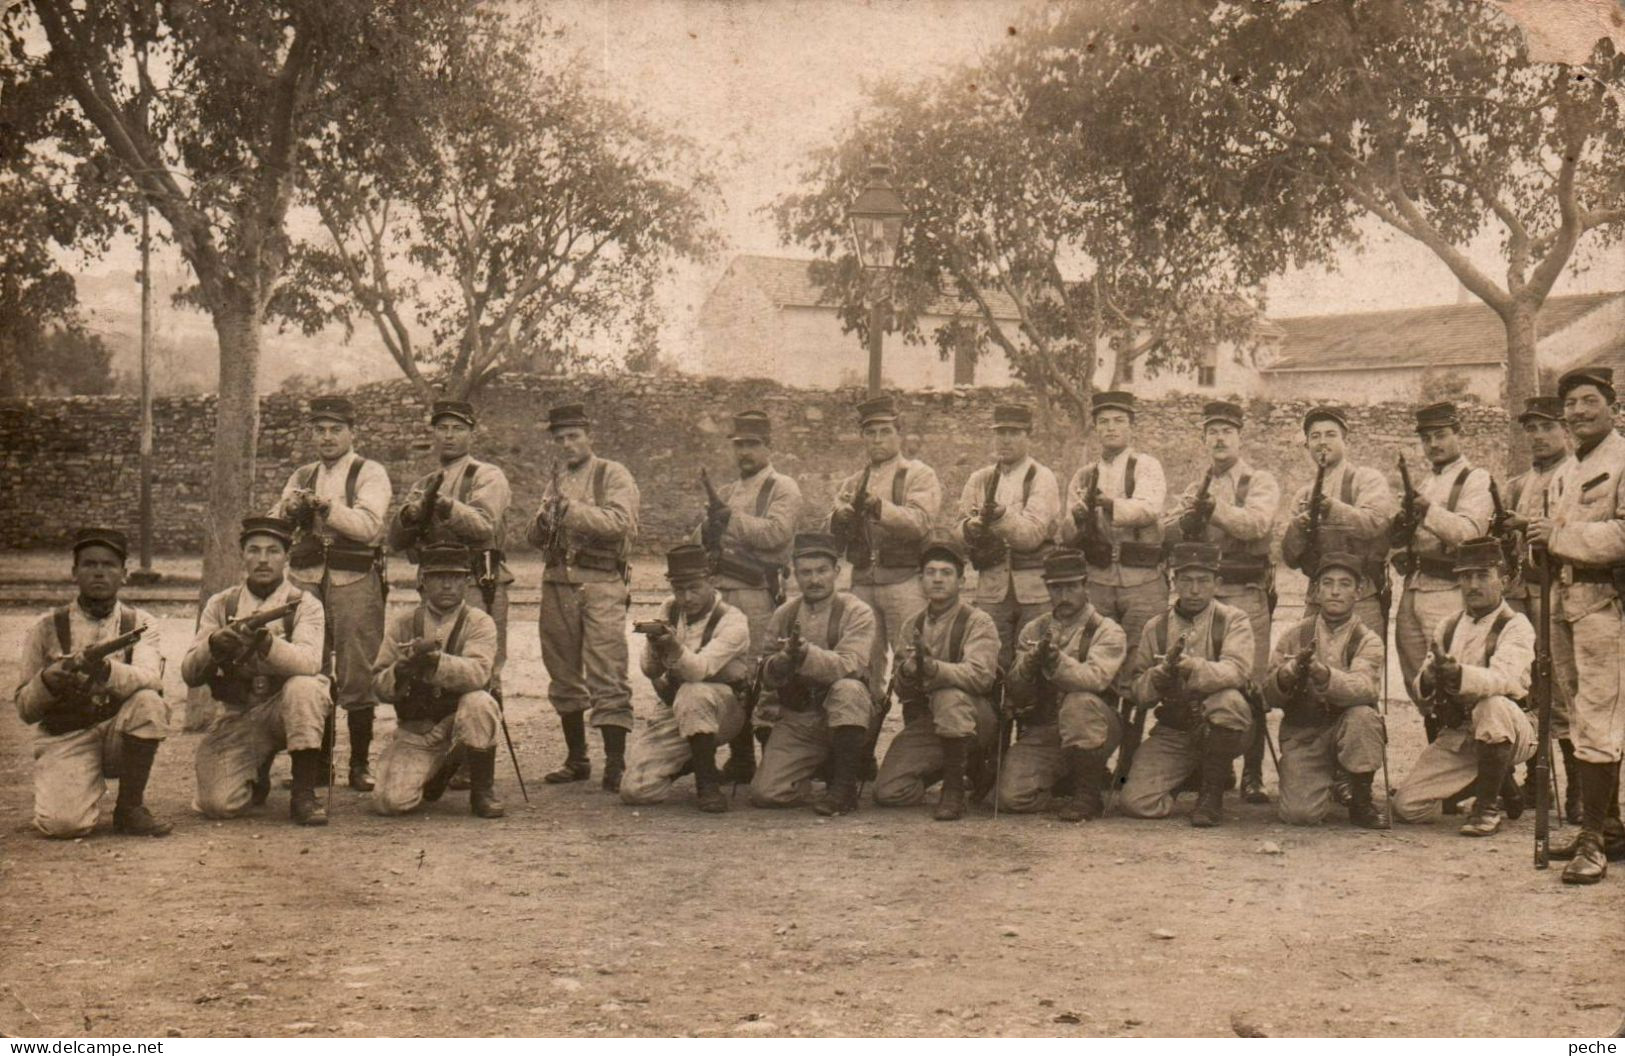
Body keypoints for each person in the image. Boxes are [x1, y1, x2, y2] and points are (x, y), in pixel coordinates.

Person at [1527, 367, 1625, 884]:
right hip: (1564, 597)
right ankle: (1608, 825)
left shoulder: (1621, 459)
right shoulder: (1568, 470)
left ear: (1612, 406)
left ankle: (1592, 841)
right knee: (1574, 704)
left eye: (1590, 401)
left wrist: (1559, 536)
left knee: (1597, 715)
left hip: (1605, 599)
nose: (1579, 412)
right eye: (1571, 404)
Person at [13, 528, 170, 838]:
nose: (99, 572)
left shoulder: (140, 623)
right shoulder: (46, 627)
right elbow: (24, 709)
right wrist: (47, 681)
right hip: (66, 735)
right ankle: (78, 784)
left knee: (150, 701)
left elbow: (150, 676)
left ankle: (129, 807)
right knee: (64, 826)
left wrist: (105, 670)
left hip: (116, 732)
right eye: (89, 564)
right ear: (74, 572)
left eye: (109, 565)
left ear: (124, 574)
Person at [1161, 399, 1281, 803]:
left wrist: (1214, 510)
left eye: (1226, 431)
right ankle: (1211, 767)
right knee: (1205, 675)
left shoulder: (1258, 480)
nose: (1219, 438)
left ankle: (1253, 774)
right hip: (1204, 597)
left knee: (1250, 679)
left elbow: (1257, 524)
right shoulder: (1197, 485)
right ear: (1203, 439)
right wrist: (1186, 520)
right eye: (1212, 431)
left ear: (1239, 437)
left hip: (1246, 591)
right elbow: (1168, 532)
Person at [271, 395, 392, 792]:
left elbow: (369, 526)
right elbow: (275, 525)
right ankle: (317, 762)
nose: (327, 437)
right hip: (306, 578)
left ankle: (359, 763)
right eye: (319, 430)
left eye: (335, 429)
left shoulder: (369, 472)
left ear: (351, 433)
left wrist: (325, 507)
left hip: (353, 579)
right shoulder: (302, 474)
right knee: (309, 666)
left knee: (358, 670)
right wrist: (289, 510)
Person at [185, 517, 331, 826]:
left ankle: (304, 793)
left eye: (273, 551)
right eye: (254, 550)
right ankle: (256, 774)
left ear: (286, 558)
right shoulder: (222, 604)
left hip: (284, 708)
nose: (263, 560)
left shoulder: (304, 604)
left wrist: (266, 643)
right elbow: (189, 673)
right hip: (239, 712)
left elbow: (309, 662)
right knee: (216, 804)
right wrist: (213, 644)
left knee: (306, 687)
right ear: (243, 555)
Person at [527, 403, 641, 792]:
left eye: (573, 436)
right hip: (558, 581)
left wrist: (571, 511)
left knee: (607, 671)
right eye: (559, 438)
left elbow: (621, 523)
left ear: (589, 436)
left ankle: (616, 762)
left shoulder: (612, 474)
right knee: (562, 673)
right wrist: (543, 521)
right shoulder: (555, 480)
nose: (567, 444)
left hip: (600, 582)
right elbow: (535, 536)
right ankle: (577, 759)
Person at [1392, 539, 1535, 838]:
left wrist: (1458, 675)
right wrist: (1430, 679)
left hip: (1511, 729)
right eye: (1466, 576)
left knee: (1491, 705)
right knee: (1407, 807)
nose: (1473, 584)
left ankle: (1486, 808)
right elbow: (1421, 687)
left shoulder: (1516, 625)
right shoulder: (1448, 624)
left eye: (1483, 575)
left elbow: (1503, 679)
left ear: (1504, 580)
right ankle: (1500, 783)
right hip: (1461, 734)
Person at [691, 409, 803, 779]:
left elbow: (776, 535)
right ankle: (741, 759)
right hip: (723, 594)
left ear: (769, 447)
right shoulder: (727, 491)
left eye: (752, 445)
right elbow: (700, 541)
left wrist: (731, 520)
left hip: (758, 594)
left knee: (761, 674)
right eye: (739, 446)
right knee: (730, 672)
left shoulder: (782, 487)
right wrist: (709, 527)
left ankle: (771, 761)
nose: (745, 453)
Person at [827, 394, 942, 746]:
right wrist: (839, 517)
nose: (877, 440)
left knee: (913, 662)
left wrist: (879, 508)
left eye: (885, 432)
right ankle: (861, 752)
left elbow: (921, 522)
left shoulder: (918, 474)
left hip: (904, 580)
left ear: (899, 434)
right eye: (871, 433)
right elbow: (830, 530)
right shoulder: (850, 482)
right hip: (862, 582)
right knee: (865, 665)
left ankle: (917, 748)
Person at [1119, 542, 1256, 827]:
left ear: (1216, 583)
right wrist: (1157, 677)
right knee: (1136, 802)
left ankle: (1211, 796)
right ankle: (1192, 774)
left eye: (1203, 581)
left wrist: (1194, 667)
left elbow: (1237, 670)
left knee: (1228, 699)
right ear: (1173, 582)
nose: (1194, 590)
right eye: (1186, 580)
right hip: (1175, 729)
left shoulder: (1234, 620)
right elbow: (1137, 690)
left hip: (1226, 725)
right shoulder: (1155, 627)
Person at [388, 399, 514, 695]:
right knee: (432, 662)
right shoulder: (424, 483)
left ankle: (482, 738)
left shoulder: (487, 475)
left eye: (457, 428)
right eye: (442, 428)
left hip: (478, 581)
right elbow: (394, 541)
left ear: (472, 434)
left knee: (481, 669)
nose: (448, 435)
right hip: (433, 584)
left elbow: (484, 526)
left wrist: (445, 506)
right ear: (432, 434)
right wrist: (410, 515)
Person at [747, 533, 879, 816]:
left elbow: (849, 664)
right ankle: (820, 769)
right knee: (766, 793)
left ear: (837, 572)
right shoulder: (784, 614)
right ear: (795, 574)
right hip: (801, 717)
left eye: (822, 571)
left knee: (849, 688)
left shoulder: (857, 611)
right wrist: (781, 662)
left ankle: (843, 789)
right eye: (805, 572)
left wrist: (805, 655)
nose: (814, 579)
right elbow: (765, 673)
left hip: (848, 716)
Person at [370, 543, 505, 819]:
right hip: (419, 730)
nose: (447, 585)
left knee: (480, 701)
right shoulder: (403, 622)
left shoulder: (479, 622)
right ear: (423, 580)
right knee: (389, 802)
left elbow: (479, 673)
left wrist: (435, 661)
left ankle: (482, 791)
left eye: (455, 577)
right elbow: (379, 686)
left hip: (459, 721)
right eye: (437, 576)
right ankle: (442, 767)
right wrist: (400, 670)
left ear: (467, 581)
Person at [872, 534, 1000, 821]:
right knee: (889, 791)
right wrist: (907, 670)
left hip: (976, 719)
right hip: (932, 721)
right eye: (930, 573)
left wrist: (934, 669)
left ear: (961, 581)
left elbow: (981, 677)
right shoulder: (911, 624)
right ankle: (960, 766)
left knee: (949, 695)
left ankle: (954, 791)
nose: (938, 580)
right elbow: (902, 690)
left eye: (946, 573)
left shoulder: (978, 621)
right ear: (921, 581)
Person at [1388, 402, 1494, 743]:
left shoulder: (1475, 479)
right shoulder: (1426, 480)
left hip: (1449, 590)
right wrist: (1402, 547)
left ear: (1458, 434)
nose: (1434, 444)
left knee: (1451, 676)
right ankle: (1437, 761)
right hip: (1415, 588)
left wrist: (1427, 511)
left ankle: (1472, 771)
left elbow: (1470, 533)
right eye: (1427, 438)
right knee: (1419, 682)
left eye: (1441, 435)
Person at [619, 545, 752, 813]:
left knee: (695, 691)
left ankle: (708, 785)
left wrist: (674, 648)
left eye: (694, 588)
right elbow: (649, 671)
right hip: (677, 708)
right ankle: (692, 758)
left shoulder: (733, 620)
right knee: (636, 790)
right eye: (679, 589)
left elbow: (698, 670)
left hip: (724, 711)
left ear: (711, 582)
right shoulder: (669, 608)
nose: (686, 597)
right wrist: (655, 645)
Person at [997, 548, 1128, 821]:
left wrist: (1056, 662)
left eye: (1071, 587)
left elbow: (1095, 679)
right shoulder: (1033, 630)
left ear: (1086, 586)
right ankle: (1063, 778)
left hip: (1095, 727)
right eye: (1056, 589)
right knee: (1011, 797)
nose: (1064, 597)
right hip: (1046, 729)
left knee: (1078, 702)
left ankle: (1087, 795)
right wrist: (1027, 666)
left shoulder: (1107, 630)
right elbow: (1015, 690)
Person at [1264, 552, 1388, 828]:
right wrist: (1286, 676)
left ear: (1358, 592)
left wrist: (1325, 675)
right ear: (1316, 590)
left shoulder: (1368, 639)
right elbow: (1267, 695)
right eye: (1327, 583)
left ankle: (1360, 797)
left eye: (1344, 584)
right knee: (1300, 815)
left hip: (1345, 725)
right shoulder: (1293, 635)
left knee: (1363, 716)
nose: (1335, 591)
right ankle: (1328, 782)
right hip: (1305, 732)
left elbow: (1364, 687)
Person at [1060, 390, 1167, 697]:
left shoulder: (1146, 466)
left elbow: (1149, 508)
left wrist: (1108, 504)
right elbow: (1066, 534)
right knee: (1098, 656)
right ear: (1095, 428)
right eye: (1103, 422)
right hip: (1098, 579)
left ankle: (1133, 739)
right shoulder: (1083, 475)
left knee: (1139, 662)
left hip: (1142, 580)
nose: (1111, 428)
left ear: (1131, 426)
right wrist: (1078, 518)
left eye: (1119, 421)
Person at [1500, 396, 1576, 815]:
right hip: (1523, 591)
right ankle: (1536, 780)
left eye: (1546, 427)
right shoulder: (1519, 482)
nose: (1538, 437)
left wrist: (1525, 525)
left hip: (1561, 588)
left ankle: (1579, 788)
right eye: (1531, 429)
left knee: (1562, 685)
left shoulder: (1575, 475)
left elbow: (1571, 527)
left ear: (1564, 429)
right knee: (1526, 684)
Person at [956, 402, 1061, 669]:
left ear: (1029, 435)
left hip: (1034, 590)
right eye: (1000, 432)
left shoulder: (1041, 477)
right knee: (990, 661)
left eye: (1014, 433)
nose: (1006, 439)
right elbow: (956, 530)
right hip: (992, 587)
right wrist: (971, 527)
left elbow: (1032, 535)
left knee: (1033, 663)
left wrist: (1001, 516)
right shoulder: (980, 479)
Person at [1281, 405, 1397, 635]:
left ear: (1346, 440)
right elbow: (1291, 558)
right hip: (1317, 599)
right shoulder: (1303, 495)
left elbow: (1374, 523)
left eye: (1330, 434)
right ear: (1307, 445)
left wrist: (1332, 508)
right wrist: (1298, 528)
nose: (1322, 442)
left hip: (1360, 598)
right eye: (1315, 436)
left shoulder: (1367, 480)